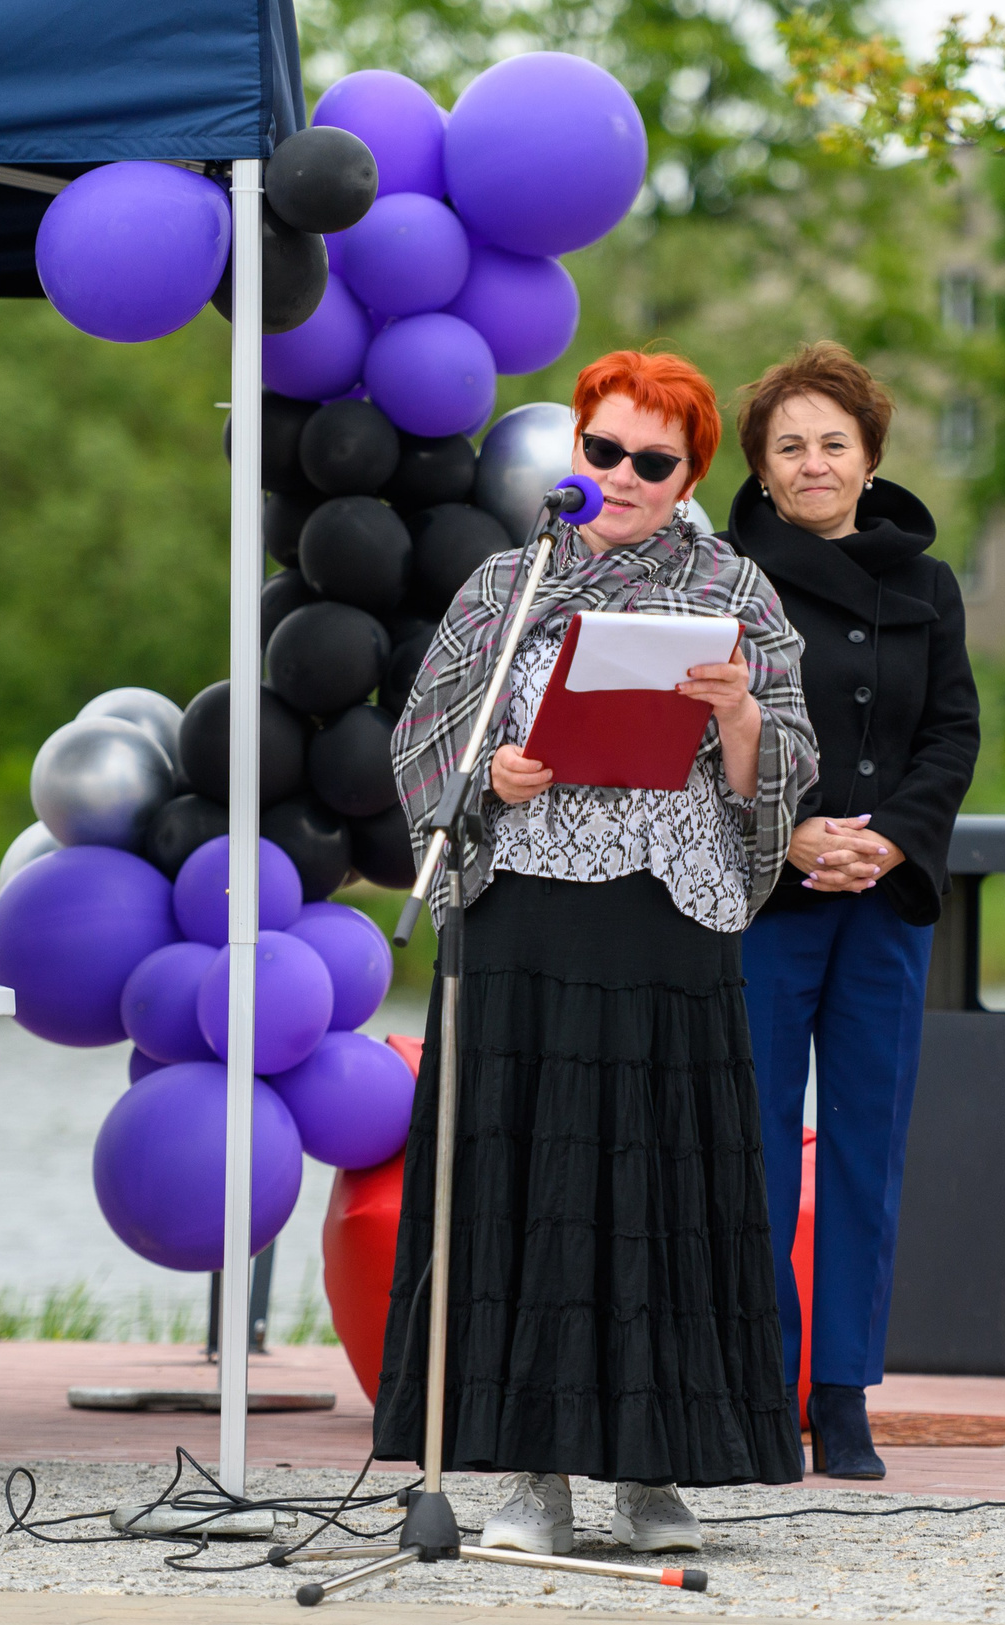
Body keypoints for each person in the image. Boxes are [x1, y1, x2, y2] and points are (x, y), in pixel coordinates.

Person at [377, 348, 819, 1557]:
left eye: (651, 460)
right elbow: (423, 744)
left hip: (666, 915)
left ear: (690, 476)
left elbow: (784, 766)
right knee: (528, 1189)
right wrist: (494, 775)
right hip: (520, 911)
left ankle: (654, 1469)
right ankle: (532, 1478)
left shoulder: (738, 592)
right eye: (602, 448)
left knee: (662, 1183)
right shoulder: (505, 585)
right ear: (575, 451)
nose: (620, 474)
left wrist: (733, 709)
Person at [721, 342, 980, 1478]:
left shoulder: (929, 584)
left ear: (870, 457)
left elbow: (951, 732)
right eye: (791, 447)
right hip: (768, 898)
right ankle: (765, 1390)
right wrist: (799, 834)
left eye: (834, 442)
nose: (813, 463)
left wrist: (885, 839)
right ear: (761, 468)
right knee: (761, 1149)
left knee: (867, 1149)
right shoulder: (725, 578)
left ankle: (847, 1390)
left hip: (884, 896)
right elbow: (698, 740)